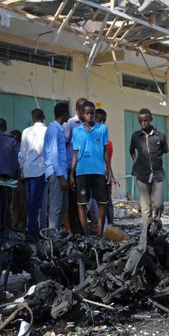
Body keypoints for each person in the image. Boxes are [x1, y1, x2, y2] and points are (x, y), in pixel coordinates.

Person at [70, 101, 114, 237]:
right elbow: (76, 153)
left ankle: (99, 236)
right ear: (82, 115)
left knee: (102, 204)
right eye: (87, 113)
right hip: (82, 172)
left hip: (99, 172)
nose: (90, 116)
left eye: (92, 113)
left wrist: (110, 172)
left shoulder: (102, 129)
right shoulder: (77, 131)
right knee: (81, 204)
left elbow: (105, 151)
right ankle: (87, 236)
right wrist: (72, 173)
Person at [129, 108, 169, 222]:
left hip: (157, 174)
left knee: (159, 204)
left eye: (146, 120)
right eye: (140, 121)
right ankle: (147, 232)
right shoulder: (136, 136)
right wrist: (135, 161)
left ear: (151, 119)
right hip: (141, 174)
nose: (143, 123)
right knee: (145, 206)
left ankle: (156, 222)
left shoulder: (160, 136)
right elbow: (131, 150)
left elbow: (164, 150)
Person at [19, 108, 47, 241]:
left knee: (31, 202)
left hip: (28, 170)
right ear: (43, 117)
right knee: (37, 203)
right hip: (40, 170)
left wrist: (22, 169)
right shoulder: (46, 131)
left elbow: (22, 153)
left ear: (32, 118)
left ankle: (32, 229)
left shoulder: (26, 131)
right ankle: (33, 231)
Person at [44, 102, 70, 231]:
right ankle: (52, 237)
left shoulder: (58, 129)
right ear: (64, 114)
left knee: (63, 207)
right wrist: (61, 177)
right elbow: (54, 156)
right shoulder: (54, 130)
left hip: (61, 174)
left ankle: (57, 234)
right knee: (55, 207)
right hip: (56, 174)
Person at [0, 118, 20, 232]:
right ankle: (7, 233)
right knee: (7, 207)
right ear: (6, 128)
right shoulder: (12, 141)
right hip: (8, 179)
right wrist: (15, 176)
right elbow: (16, 161)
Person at [64, 97, 87, 234]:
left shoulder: (89, 124)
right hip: (72, 170)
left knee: (83, 201)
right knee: (73, 203)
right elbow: (64, 145)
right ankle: (76, 231)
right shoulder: (71, 124)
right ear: (77, 109)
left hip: (85, 170)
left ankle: (83, 230)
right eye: (82, 109)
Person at [93, 108, 119, 224]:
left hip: (102, 174)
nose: (102, 124)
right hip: (89, 174)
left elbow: (108, 161)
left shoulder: (108, 143)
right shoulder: (84, 136)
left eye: (104, 121)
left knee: (107, 201)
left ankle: (110, 225)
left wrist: (110, 175)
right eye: (99, 120)